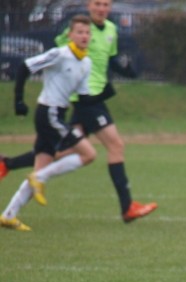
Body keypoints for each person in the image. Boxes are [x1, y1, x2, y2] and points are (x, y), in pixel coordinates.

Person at [1, 0, 157, 224]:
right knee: (102, 149)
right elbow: (37, 63)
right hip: (59, 109)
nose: (101, 9)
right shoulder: (64, 50)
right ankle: (127, 207)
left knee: (58, 153)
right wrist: (19, 100)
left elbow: (108, 61)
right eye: (97, 4)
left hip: (81, 101)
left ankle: (8, 205)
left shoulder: (103, 40)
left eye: (105, 4)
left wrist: (122, 77)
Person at [1, 15, 99, 232]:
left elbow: (83, 98)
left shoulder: (86, 62)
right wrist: (18, 100)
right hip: (49, 113)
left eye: (87, 32)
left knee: (41, 165)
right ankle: (39, 178)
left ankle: (8, 215)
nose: (84, 36)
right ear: (70, 35)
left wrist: (94, 117)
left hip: (59, 114)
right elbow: (25, 67)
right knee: (89, 154)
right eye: (79, 32)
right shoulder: (60, 54)